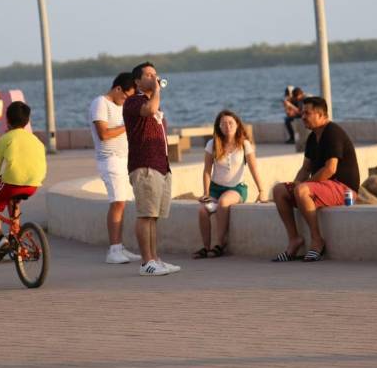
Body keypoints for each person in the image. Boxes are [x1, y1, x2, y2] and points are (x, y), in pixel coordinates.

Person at [271, 97, 360, 262]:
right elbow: (305, 169)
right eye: (302, 112)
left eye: (307, 113)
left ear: (321, 115)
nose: (302, 116)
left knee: (302, 190)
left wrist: (302, 187)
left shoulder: (333, 133)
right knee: (279, 190)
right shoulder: (313, 138)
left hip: (344, 189)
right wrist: (295, 184)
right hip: (323, 187)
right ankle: (294, 240)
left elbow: (330, 169)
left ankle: (317, 241)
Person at [123, 61, 180, 276]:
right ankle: (146, 262)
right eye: (148, 75)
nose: (154, 78)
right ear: (137, 81)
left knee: (154, 216)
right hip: (144, 165)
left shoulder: (151, 101)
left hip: (160, 165)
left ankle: (155, 259)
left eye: (155, 74)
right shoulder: (133, 102)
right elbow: (151, 109)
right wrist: (156, 91)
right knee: (145, 214)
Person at [193, 110, 268, 259]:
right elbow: (207, 170)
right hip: (215, 189)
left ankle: (220, 244)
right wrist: (206, 193)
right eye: (224, 123)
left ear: (237, 124)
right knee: (202, 210)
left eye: (230, 123)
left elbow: (254, 168)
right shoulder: (212, 144)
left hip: (236, 189)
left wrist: (262, 190)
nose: (227, 126)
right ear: (219, 126)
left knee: (224, 202)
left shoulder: (244, 144)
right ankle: (206, 248)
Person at [0, 101, 47, 265]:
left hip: (12, 182)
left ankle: (0, 240)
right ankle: (15, 235)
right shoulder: (36, 140)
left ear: (7, 120)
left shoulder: (6, 139)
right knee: (14, 199)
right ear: (27, 121)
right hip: (34, 183)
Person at [89, 72, 143, 264]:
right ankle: (113, 250)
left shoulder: (122, 106)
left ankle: (119, 247)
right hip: (109, 160)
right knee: (117, 202)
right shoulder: (100, 103)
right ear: (118, 88)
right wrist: (128, 125)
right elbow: (103, 133)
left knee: (123, 203)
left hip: (124, 160)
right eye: (126, 96)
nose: (126, 100)